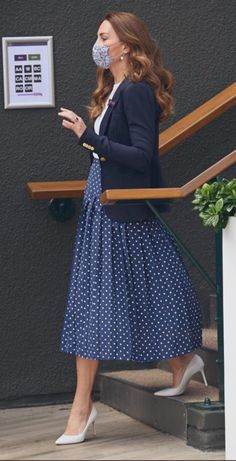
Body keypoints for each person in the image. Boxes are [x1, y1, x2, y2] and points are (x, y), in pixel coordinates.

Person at [56, 11, 207, 445]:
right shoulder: (114, 92)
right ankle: (178, 364)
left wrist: (88, 136)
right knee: (109, 299)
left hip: (121, 210)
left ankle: (85, 408)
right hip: (101, 208)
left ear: (126, 44)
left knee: (128, 295)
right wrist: (92, 137)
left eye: (104, 37)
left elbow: (143, 155)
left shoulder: (136, 92)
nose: (98, 45)